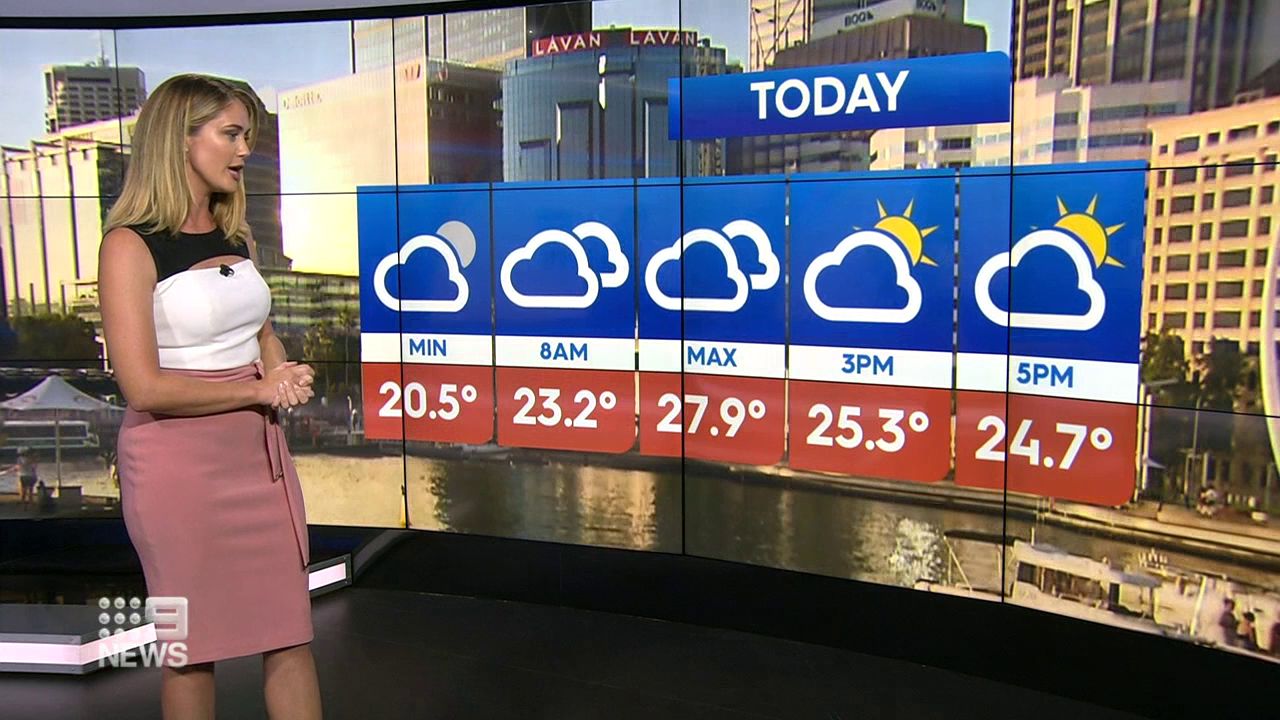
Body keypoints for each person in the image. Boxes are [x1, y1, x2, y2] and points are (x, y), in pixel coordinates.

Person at [98, 74, 321, 719]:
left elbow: (261, 334)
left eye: (247, 135)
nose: (244, 149)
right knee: (190, 654)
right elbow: (143, 386)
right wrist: (257, 389)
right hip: (176, 473)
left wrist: (283, 374)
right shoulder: (129, 245)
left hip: (258, 461)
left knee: (290, 635)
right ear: (181, 138)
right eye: (231, 134)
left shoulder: (235, 235)